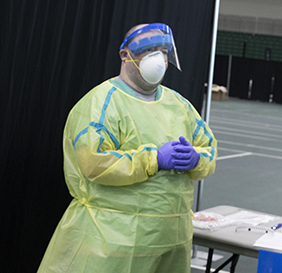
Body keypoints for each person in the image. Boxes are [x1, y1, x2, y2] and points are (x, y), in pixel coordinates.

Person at [38, 23, 217, 272]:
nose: (158, 58)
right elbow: (94, 162)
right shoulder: (102, 103)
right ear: (125, 55)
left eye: (163, 51)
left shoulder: (180, 106)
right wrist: (153, 159)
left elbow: (208, 147)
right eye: (150, 49)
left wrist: (197, 158)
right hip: (113, 241)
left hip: (172, 240)